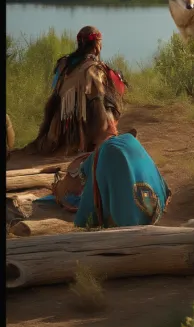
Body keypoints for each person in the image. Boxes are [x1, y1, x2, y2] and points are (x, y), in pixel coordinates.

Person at [43, 84, 171, 228]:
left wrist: (81, 220)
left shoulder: (101, 155)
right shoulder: (130, 140)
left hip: (130, 224)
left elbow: (89, 206)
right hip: (155, 210)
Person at [28, 26, 127, 156]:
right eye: (100, 42)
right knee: (107, 105)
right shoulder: (94, 69)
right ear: (97, 44)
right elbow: (98, 102)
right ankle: (97, 143)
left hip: (58, 127)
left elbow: (55, 94)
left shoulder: (63, 64)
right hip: (83, 126)